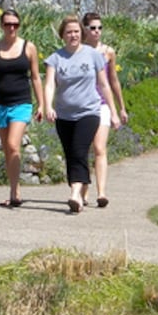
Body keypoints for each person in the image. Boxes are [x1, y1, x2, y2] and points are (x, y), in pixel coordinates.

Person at [42, 15, 115, 212]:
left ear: (81, 33)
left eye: (76, 32)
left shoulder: (93, 55)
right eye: (69, 32)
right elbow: (49, 84)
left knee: (79, 150)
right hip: (64, 114)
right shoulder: (55, 58)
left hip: (89, 111)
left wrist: (114, 111)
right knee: (71, 154)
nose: (73, 35)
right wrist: (48, 106)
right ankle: (81, 190)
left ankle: (75, 194)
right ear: (62, 35)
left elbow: (104, 84)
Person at [0, 8, 43, 208]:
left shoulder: (28, 47)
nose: (11, 28)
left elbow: (35, 76)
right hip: (0, 103)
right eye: (7, 24)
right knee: (7, 150)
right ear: (1, 25)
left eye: (15, 24)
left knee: (13, 144)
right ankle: (13, 187)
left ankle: (14, 191)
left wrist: (41, 103)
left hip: (21, 102)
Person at [83, 12, 128, 208]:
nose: (96, 32)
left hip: (102, 104)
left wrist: (120, 107)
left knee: (100, 148)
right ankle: (82, 191)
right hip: (83, 104)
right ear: (85, 29)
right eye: (93, 28)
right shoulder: (79, 50)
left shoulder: (108, 52)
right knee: (83, 149)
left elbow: (113, 81)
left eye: (99, 28)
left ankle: (101, 192)